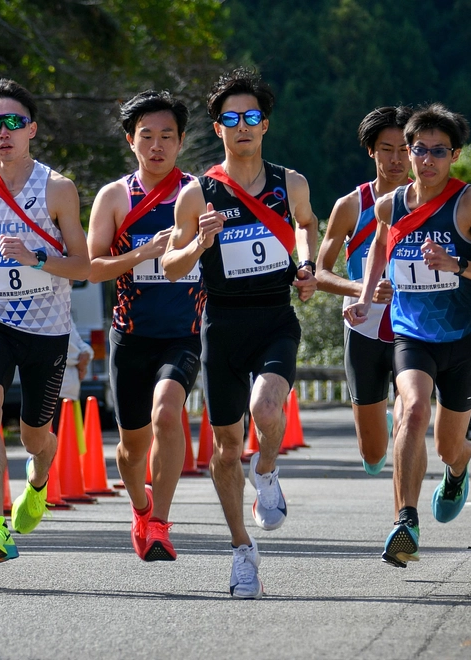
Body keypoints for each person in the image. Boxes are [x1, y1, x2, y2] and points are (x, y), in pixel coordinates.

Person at [161, 68, 318, 598]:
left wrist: (307, 264)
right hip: (221, 324)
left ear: (265, 125)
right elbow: (171, 267)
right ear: (218, 126)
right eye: (231, 118)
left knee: (267, 411)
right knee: (226, 450)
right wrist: (200, 244)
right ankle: (240, 550)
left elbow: (305, 226)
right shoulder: (196, 193)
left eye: (252, 117)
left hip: (274, 317)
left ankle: (267, 468)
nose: (242, 126)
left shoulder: (289, 183)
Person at [345, 103, 471, 569]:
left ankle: (458, 469)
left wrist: (456, 264)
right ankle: (405, 520)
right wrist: (366, 293)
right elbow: (380, 244)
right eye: (420, 149)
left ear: (455, 155)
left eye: (440, 151)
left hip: (459, 338)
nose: (427, 160)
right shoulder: (390, 205)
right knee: (413, 409)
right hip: (410, 335)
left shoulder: (470, 203)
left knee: (447, 445)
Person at [0, 79, 90, 563]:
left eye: (14, 123)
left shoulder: (58, 189)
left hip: (47, 329)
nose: (4, 132)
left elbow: (82, 265)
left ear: (32, 130)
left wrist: (36, 256)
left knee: (34, 437)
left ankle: (40, 482)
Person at [86, 90, 205, 562]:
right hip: (131, 335)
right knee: (131, 449)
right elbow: (93, 267)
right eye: (147, 136)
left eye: (167, 137)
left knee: (167, 412)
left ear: (180, 142)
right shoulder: (114, 197)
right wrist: (141, 254)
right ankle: (140, 508)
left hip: (185, 332)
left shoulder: (198, 192)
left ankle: (160, 524)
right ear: (131, 140)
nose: (157, 146)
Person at [316, 107, 411, 475]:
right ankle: (380, 429)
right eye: (386, 149)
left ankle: (406, 512)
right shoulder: (352, 205)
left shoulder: (433, 203)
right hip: (364, 327)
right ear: (371, 151)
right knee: (372, 457)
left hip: (414, 327)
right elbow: (320, 273)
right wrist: (364, 291)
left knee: (412, 417)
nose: (396, 159)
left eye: (405, 149)